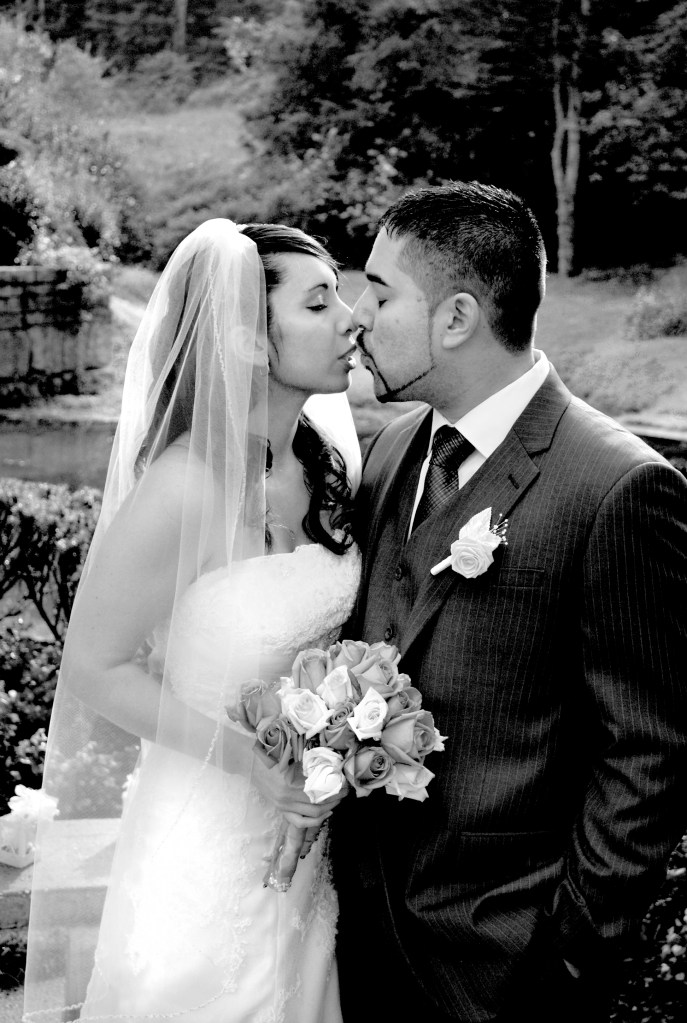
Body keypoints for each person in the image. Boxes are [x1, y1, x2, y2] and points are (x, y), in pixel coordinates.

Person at [332, 181, 687, 1023]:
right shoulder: (390, 449)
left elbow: (648, 750)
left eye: (378, 293)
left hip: (504, 971)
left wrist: (565, 955)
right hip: (354, 949)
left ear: (456, 318)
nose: (355, 317)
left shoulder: (616, 486)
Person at [23, 219, 361, 1023]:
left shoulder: (324, 463)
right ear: (247, 338)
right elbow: (94, 667)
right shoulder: (185, 487)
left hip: (305, 843)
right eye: (319, 303)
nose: (352, 321)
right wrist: (249, 760)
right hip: (203, 842)